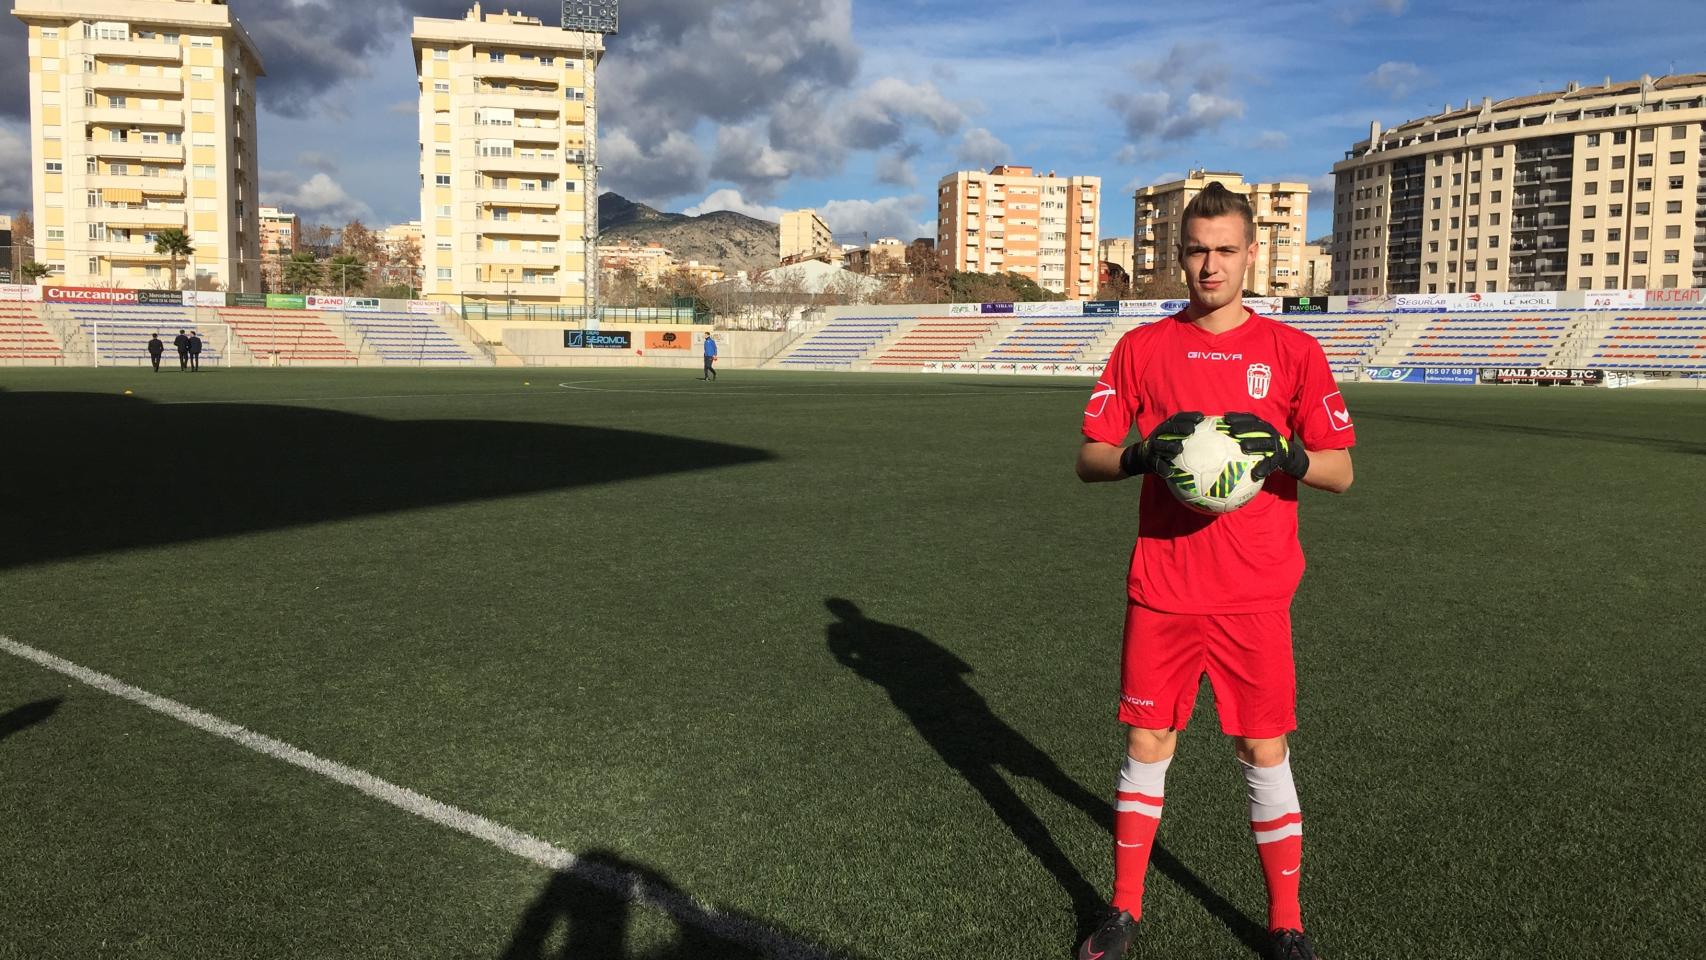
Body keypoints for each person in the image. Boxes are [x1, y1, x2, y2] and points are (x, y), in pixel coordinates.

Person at [1073, 182, 1356, 960]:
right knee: (1146, 741)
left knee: (1262, 749)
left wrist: (1293, 457)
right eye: (1196, 249)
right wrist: (1137, 455)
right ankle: (1123, 910)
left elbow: (1340, 473)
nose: (1209, 265)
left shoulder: (1293, 351)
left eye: (1225, 249)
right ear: (1179, 253)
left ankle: (1285, 922)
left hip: (1255, 592)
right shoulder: (1142, 349)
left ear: (1252, 253)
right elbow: (1089, 458)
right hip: (1163, 588)